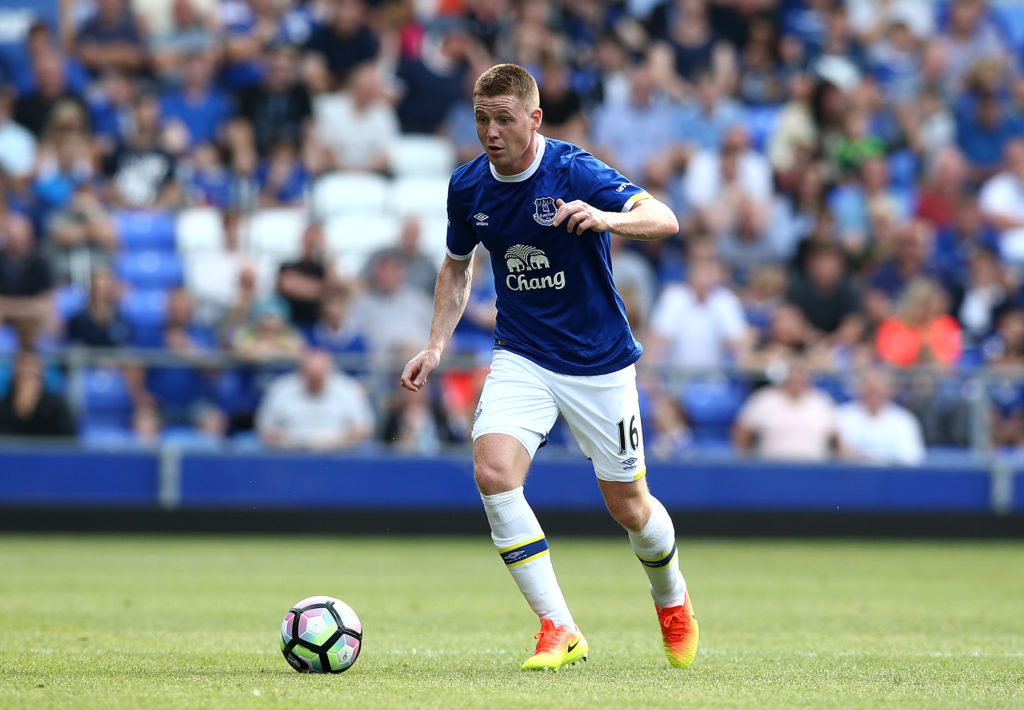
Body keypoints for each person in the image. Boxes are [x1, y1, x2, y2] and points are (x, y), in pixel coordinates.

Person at [400, 64, 697, 672]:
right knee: (492, 470)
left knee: (630, 508)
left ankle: (672, 601)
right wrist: (435, 346)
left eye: (503, 119)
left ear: (533, 119)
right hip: (523, 354)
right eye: (482, 119)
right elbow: (458, 267)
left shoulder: (573, 169)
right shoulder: (468, 187)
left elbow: (665, 218)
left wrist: (608, 217)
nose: (490, 132)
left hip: (599, 362)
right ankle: (558, 626)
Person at [256, 347, 373, 451]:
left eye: (319, 376)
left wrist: (334, 443)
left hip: (340, 453)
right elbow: (265, 428)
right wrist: (294, 444)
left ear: (329, 372)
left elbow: (363, 428)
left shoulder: (348, 388)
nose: (315, 381)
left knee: (369, 449)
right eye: (311, 376)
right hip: (288, 453)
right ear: (302, 373)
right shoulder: (280, 388)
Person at [836, 366, 925, 465]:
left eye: (878, 388)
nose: (874, 393)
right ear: (859, 388)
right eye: (869, 387)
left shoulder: (904, 420)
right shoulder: (842, 416)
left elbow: (911, 459)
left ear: (889, 389)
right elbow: (836, 455)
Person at [0, 350, 76, 438]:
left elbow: (69, 442)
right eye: (24, 374)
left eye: (32, 374)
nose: (28, 378)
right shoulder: (3, 407)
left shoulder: (57, 407)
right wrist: (21, 411)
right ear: (14, 376)